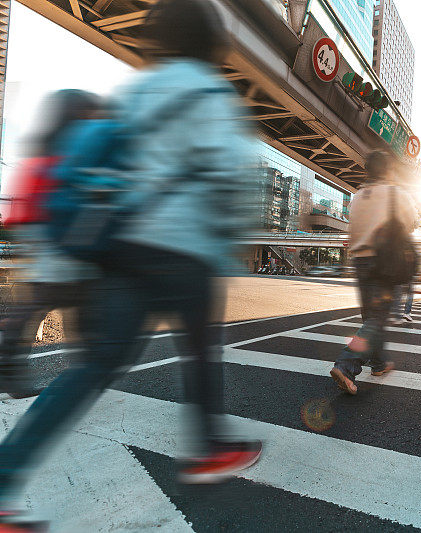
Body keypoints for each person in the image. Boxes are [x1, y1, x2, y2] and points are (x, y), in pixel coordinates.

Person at [0, 1, 261, 528]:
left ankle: (5, 479)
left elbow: (97, 162)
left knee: (93, 367)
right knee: (200, 348)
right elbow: (231, 179)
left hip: (120, 251)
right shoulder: (212, 94)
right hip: (182, 251)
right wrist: (227, 243)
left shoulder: (135, 92)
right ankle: (207, 445)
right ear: (211, 44)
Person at [0, 90, 102, 400]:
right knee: (70, 308)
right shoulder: (74, 150)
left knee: (35, 308)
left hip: (44, 239)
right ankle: (81, 375)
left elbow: (22, 205)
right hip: (64, 242)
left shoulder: (43, 151)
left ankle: (12, 369)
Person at [330, 151, 416, 395]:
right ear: (388, 170)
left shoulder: (357, 197)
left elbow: (352, 233)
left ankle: (379, 363)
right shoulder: (396, 194)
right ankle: (346, 365)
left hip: (360, 263)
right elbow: (412, 223)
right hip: (385, 264)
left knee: (371, 318)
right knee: (377, 319)